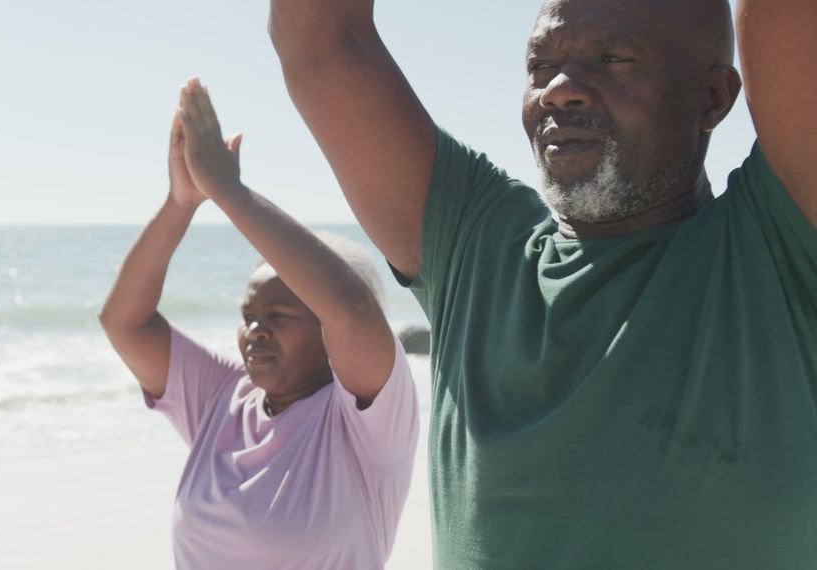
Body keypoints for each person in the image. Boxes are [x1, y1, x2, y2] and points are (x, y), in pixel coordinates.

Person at [268, 0, 817, 567]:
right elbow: (322, 43)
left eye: (615, 59)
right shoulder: (473, 245)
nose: (559, 89)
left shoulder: (777, 248)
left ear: (714, 98)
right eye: (539, 65)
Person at [98, 79, 419, 569]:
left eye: (279, 315)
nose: (256, 331)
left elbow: (352, 311)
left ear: (328, 334)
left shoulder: (367, 425)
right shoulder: (221, 400)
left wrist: (230, 193)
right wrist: (182, 203)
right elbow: (125, 322)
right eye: (249, 316)